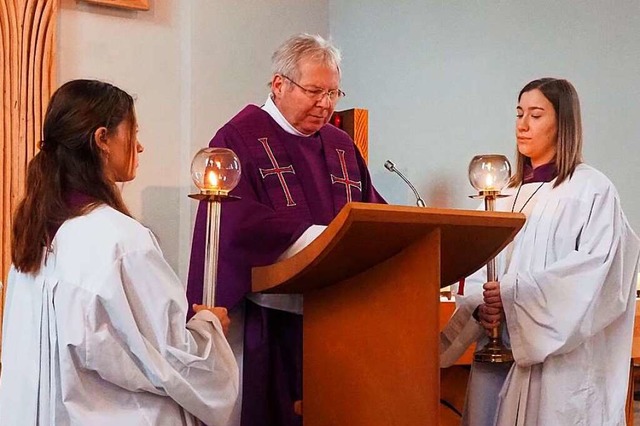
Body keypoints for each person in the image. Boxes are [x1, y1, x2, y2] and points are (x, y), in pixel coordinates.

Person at [0, 79, 239, 425]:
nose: (139, 147)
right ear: (102, 139)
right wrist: (209, 328)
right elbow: (170, 357)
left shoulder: (32, 239)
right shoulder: (120, 242)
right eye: (132, 132)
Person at [187, 33, 386, 426]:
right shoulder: (238, 137)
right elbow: (235, 221)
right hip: (272, 319)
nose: (325, 104)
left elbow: (369, 212)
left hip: (338, 317)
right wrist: (319, 239)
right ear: (279, 84)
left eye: (333, 93)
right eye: (314, 91)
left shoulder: (341, 144)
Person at [440, 78, 640, 425]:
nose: (522, 124)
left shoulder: (591, 190)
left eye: (535, 114)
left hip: (560, 367)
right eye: (519, 113)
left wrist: (513, 295)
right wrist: (480, 308)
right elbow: (477, 270)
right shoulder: (503, 195)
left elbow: (595, 274)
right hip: (498, 354)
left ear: (562, 124)